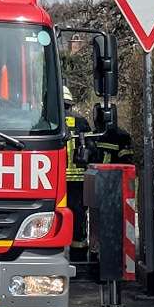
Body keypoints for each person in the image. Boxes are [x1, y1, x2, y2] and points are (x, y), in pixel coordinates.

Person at [63, 86, 93, 248]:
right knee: (78, 211)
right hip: (78, 177)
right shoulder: (81, 122)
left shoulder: (50, 121)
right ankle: (78, 243)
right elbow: (91, 148)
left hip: (55, 177)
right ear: (70, 103)